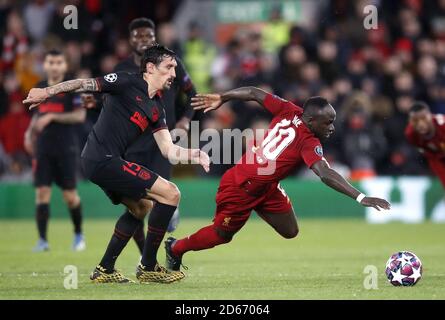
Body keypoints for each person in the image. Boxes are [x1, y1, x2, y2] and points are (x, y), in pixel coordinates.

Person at [23, 45, 210, 284]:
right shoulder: (125, 82)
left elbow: (168, 149)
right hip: (100, 158)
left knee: (141, 207)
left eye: (175, 68)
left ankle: (105, 269)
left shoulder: (156, 108)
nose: (174, 74)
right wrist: (47, 92)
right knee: (171, 193)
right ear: (150, 67)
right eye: (169, 67)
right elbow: (83, 83)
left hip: (106, 161)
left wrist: (195, 154)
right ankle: (148, 266)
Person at [164, 87, 391, 271]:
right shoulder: (309, 141)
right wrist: (360, 197)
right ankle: (175, 248)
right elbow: (324, 173)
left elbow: (254, 93)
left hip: (266, 185)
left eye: (332, 121)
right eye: (327, 123)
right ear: (311, 120)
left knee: (290, 231)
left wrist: (224, 97)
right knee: (221, 235)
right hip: (240, 186)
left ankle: (260, 200)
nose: (331, 127)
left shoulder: (289, 110)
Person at [113, 17, 197, 254]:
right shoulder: (121, 70)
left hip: (162, 142)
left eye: (148, 36)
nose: (143, 40)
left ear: (155, 38)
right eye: (138, 36)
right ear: (129, 40)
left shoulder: (172, 63)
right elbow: (110, 104)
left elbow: (193, 94)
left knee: (159, 203)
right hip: (131, 144)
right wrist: (93, 104)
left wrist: (184, 121)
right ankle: (146, 258)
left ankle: (150, 251)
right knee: (136, 205)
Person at [24, 49, 86, 252]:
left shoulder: (72, 88)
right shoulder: (39, 88)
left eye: (59, 62)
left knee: (70, 196)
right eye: (51, 62)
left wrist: (52, 117)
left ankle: (78, 235)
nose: (55, 66)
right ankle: (42, 241)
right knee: (42, 193)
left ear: (65, 66)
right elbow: (36, 114)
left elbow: (79, 116)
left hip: (66, 148)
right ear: (45, 65)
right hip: (44, 148)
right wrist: (29, 133)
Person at [405, 101, 445, 187]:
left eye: (423, 118)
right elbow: (423, 150)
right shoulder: (410, 134)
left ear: (430, 116)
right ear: (410, 121)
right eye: (415, 120)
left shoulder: (443, 125)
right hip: (436, 158)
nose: (420, 124)